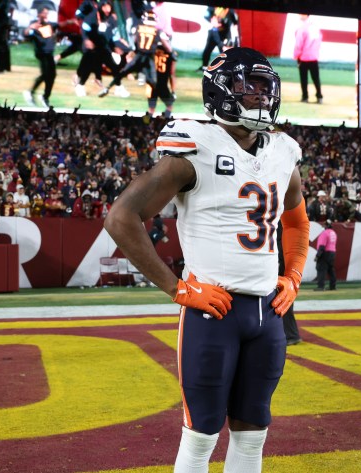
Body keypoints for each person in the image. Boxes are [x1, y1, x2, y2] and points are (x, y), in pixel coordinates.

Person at [104, 47, 309, 473]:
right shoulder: (193, 146)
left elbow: (296, 223)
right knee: (200, 437)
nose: (258, 95)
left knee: (253, 436)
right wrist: (177, 287)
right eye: (246, 86)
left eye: (264, 86)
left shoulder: (283, 152)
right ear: (220, 90)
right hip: (213, 312)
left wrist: (293, 275)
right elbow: (121, 218)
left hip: (268, 311)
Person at [98, 9, 172, 98]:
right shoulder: (158, 32)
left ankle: (108, 88)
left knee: (122, 73)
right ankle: (166, 96)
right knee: (153, 79)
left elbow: (134, 42)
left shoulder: (138, 28)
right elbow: (168, 48)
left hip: (138, 56)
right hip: (149, 59)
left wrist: (132, 51)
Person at [23, 8, 76, 109]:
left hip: (49, 54)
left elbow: (60, 24)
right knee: (45, 74)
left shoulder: (49, 25)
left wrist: (71, 21)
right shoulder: (34, 26)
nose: (45, 15)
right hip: (42, 54)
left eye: (46, 13)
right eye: (43, 13)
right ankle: (30, 92)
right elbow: (25, 34)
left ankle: (45, 97)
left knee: (52, 75)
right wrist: (30, 28)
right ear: (38, 14)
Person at [293, 15, 323, 104]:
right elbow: (318, 42)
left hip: (304, 57)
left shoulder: (302, 28)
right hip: (314, 57)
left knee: (304, 79)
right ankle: (319, 97)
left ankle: (305, 97)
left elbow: (298, 44)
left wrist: (297, 56)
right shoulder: (315, 28)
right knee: (316, 78)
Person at [198, 6, 239, 71]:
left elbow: (236, 22)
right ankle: (204, 66)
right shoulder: (212, 7)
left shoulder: (230, 9)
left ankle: (228, 68)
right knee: (207, 50)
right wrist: (212, 20)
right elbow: (206, 16)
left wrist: (235, 31)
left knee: (225, 51)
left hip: (225, 33)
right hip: (214, 31)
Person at [147, 45, 177, 119]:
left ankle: (145, 124)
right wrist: (173, 91)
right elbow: (172, 74)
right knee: (169, 106)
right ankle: (165, 122)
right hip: (162, 85)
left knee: (151, 109)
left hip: (151, 84)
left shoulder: (151, 51)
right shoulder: (172, 53)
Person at [314, 219, 337, 291]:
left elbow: (322, 246)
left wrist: (317, 256)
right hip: (332, 253)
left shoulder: (324, 233)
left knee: (321, 269)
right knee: (331, 270)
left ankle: (321, 286)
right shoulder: (333, 233)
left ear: (326, 225)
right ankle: (333, 286)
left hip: (325, 253)